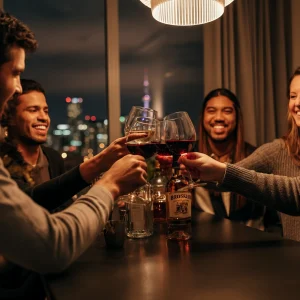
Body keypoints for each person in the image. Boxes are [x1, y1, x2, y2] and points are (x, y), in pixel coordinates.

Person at [0, 9, 147, 300]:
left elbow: (32, 202)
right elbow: (51, 246)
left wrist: (99, 163)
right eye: (15, 73)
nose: (17, 86)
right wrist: (109, 186)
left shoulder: (53, 158)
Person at [179, 66, 300, 241]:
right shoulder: (278, 149)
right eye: (293, 96)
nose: (296, 103)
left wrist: (220, 171)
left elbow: (295, 193)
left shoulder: (252, 150)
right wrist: (202, 173)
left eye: (227, 111)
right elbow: (231, 177)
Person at [192, 88, 265, 229]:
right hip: (203, 246)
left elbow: (273, 220)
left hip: (250, 246)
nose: (219, 117)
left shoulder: (256, 157)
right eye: (211, 110)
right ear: (203, 117)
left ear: (237, 117)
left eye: (227, 111)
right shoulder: (189, 158)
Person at [0, 79, 66, 192]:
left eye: (46, 111)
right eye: (33, 110)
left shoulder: (53, 159)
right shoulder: (2, 163)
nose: (43, 117)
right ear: (10, 118)